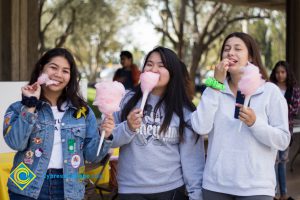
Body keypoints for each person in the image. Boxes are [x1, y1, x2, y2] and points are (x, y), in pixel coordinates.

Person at [3, 48, 114, 200]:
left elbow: (92, 156)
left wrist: (106, 135)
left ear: (71, 76)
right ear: (42, 68)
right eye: (53, 67)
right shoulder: (18, 108)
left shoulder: (83, 111)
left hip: (69, 187)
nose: (58, 74)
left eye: (65, 71)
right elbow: (16, 143)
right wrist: (30, 106)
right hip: (26, 186)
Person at [191, 32, 290, 200]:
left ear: (250, 57)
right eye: (226, 49)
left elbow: (282, 140)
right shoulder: (214, 89)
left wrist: (255, 123)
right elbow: (200, 127)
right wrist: (215, 85)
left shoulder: (269, 92)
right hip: (216, 185)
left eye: (238, 49)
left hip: (256, 188)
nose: (230, 53)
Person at [111, 46, 205, 200]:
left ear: (172, 72)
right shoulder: (126, 100)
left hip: (172, 190)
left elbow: (192, 158)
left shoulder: (184, 109)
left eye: (161, 66)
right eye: (149, 64)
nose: (154, 69)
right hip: (131, 190)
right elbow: (109, 140)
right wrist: (127, 128)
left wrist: (196, 194)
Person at [270, 60, 300, 200]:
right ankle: (273, 193)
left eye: (282, 72)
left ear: (287, 73)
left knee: (283, 161)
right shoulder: (270, 88)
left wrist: (280, 111)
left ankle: (283, 193)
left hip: (286, 130)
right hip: (270, 130)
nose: (280, 75)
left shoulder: (294, 89)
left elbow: (294, 109)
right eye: (277, 72)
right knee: (272, 161)